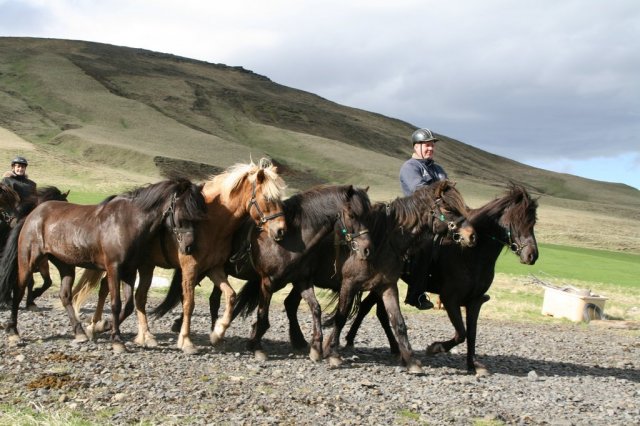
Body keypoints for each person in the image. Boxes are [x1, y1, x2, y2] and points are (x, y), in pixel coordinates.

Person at [399, 128, 448, 310]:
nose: (430, 148)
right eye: (427, 145)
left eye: (432, 145)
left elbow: (449, 191)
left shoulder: (437, 169)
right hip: (418, 217)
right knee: (425, 245)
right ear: (416, 146)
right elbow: (420, 191)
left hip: (440, 214)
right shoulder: (410, 167)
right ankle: (416, 295)